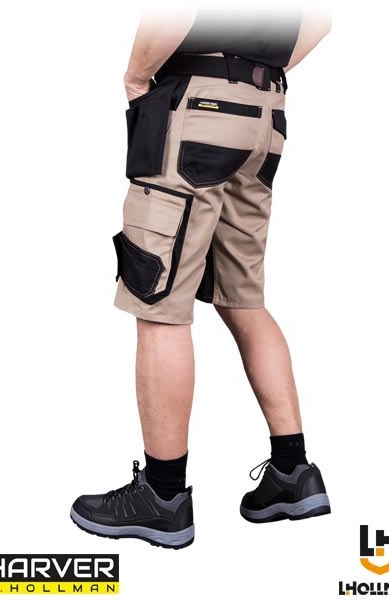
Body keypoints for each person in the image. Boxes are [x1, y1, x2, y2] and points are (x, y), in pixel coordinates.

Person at [70, 6, 332, 549]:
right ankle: (293, 472)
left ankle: (163, 497)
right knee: (243, 298)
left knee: (157, 299)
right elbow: (321, 19)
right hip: (265, 116)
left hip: (196, 106)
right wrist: (253, 72)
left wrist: (137, 77)